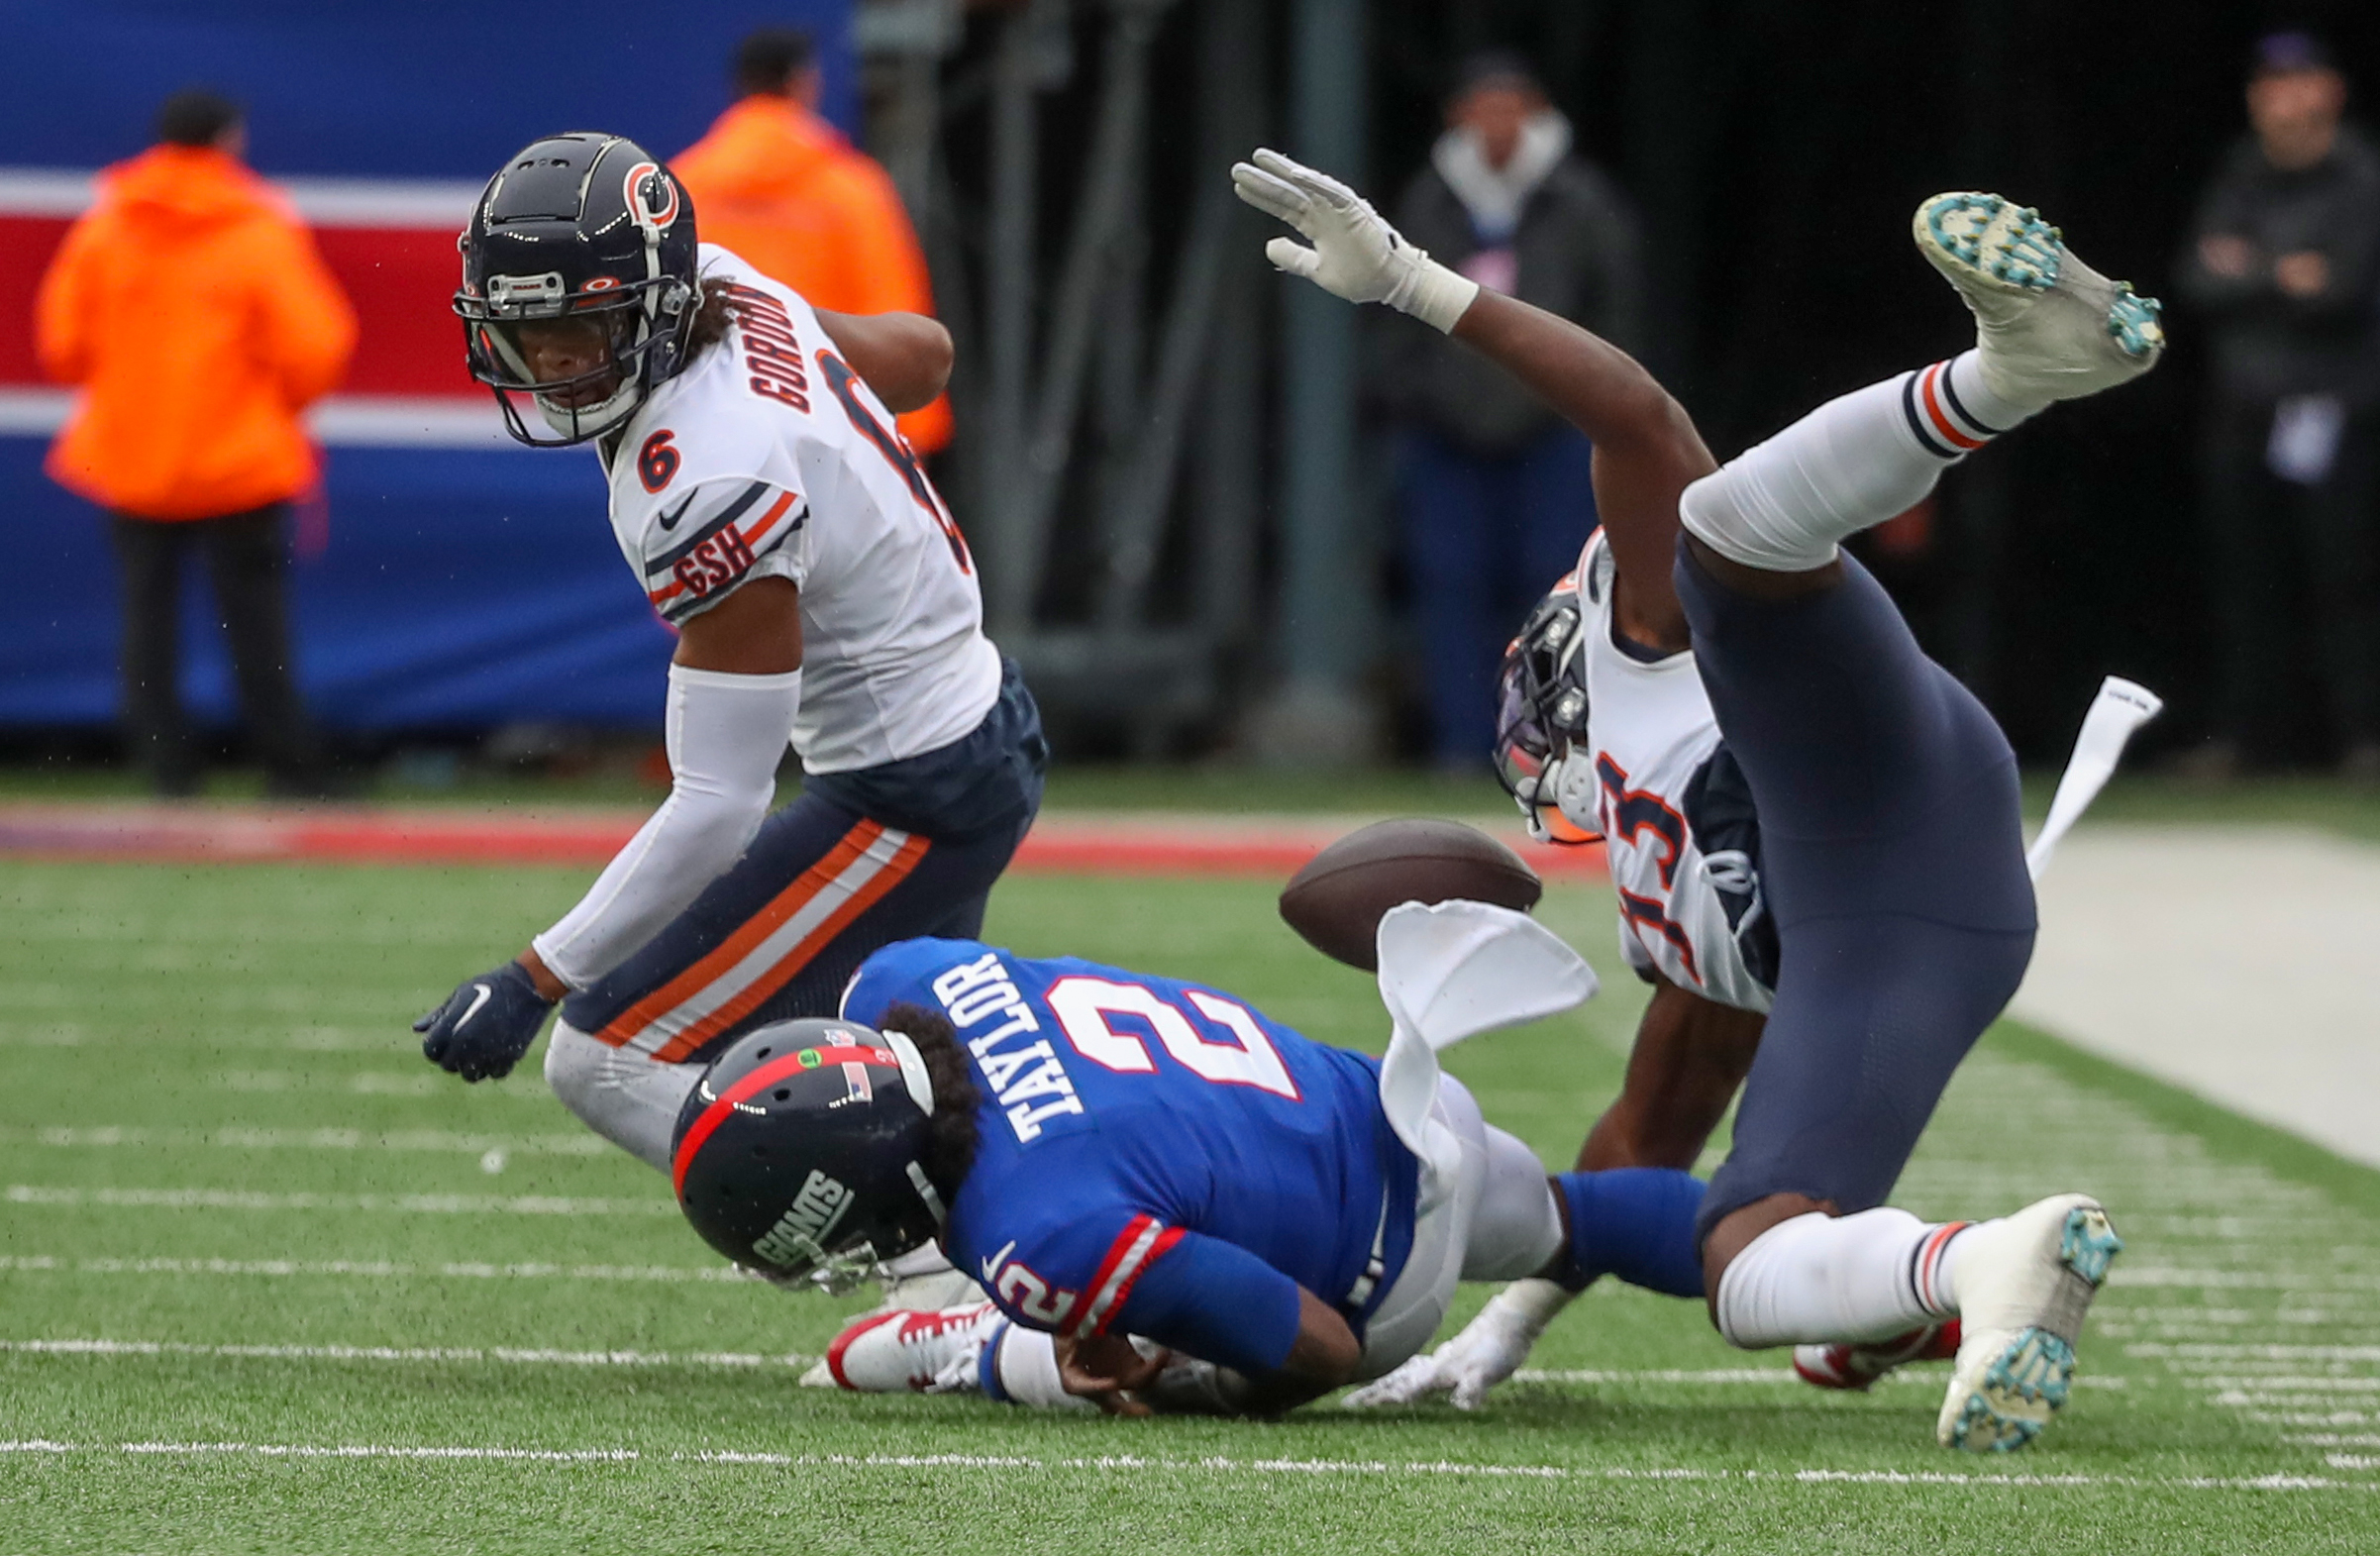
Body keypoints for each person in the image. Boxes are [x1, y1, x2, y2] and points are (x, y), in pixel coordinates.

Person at [1232, 150, 2162, 1450]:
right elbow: (1633, 1154)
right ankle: (1983, 1267)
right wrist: (1500, 1326)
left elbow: (1635, 419)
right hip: (1909, 933)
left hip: (1869, 769)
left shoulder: (1647, 626)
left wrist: (1414, 283)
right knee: (1745, 1257)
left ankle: (2012, 370)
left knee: (1723, 528)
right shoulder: (1662, 904)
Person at [415, 133, 1045, 1258]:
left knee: (603, 1051)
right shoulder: (731, 288)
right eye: (530, 331)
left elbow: (718, 803)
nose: (553, 363)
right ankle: (1008, 1270)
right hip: (972, 722)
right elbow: (927, 357)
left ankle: (902, 1260)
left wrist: (535, 974)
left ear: (651, 310)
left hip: (913, 784)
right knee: (916, 1070)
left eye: (580, 329)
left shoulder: (708, 477)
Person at [672, 904, 1712, 1415]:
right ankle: (1798, 1253)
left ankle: (974, 1349)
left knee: (1118, 1372)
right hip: (1399, 1100)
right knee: (1579, 1215)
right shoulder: (905, 975)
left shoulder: (1031, 1232)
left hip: (1379, 1284)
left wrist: (1121, 1352)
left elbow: (1321, 1347)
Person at [35, 87, 355, 797]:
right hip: (240, 458)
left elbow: (61, 344)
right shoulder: (256, 227)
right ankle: (288, 765)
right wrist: (268, 404)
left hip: (133, 457)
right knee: (257, 626)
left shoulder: (106, 226)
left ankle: (166, 770)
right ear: (228, 140)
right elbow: (318, 346)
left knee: (146, 621)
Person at [1376, 52, 1645, 769]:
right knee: (1450, 584)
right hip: (1445, 434)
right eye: (1481, 107)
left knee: (1556, 582)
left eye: (1510, 106)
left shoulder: (1580, 200)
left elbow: (1614, 310)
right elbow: (1389, 313)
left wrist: (1596, 408)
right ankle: (1463, 746)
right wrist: (1414, 396)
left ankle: (1552, 747)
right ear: (1458, 117)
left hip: (1554, 432)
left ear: (1533, 114)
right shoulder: (1429, 200)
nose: (1496, 123)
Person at [2178, 32, 2380, 778]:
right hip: (2242, 408)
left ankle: (2360, 741)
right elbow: (2196, 279)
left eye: (2297, 82)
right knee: (2242, 582)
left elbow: (2339, 289)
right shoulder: (2239, 171)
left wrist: (2248, 270)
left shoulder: (2360, 177)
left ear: (2329, 91)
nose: (2279, 97)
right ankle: (2241, 741)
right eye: (2266, 83)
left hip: (2332, 411)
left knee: (2344, 578)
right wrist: (2281, 274)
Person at [673, 27, 953, 455]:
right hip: (827, 427)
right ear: (802, 82)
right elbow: (892, 301)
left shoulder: (684, 186)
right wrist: (916, 430)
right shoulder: (851, 188)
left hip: (706, 426)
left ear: (740, 84)